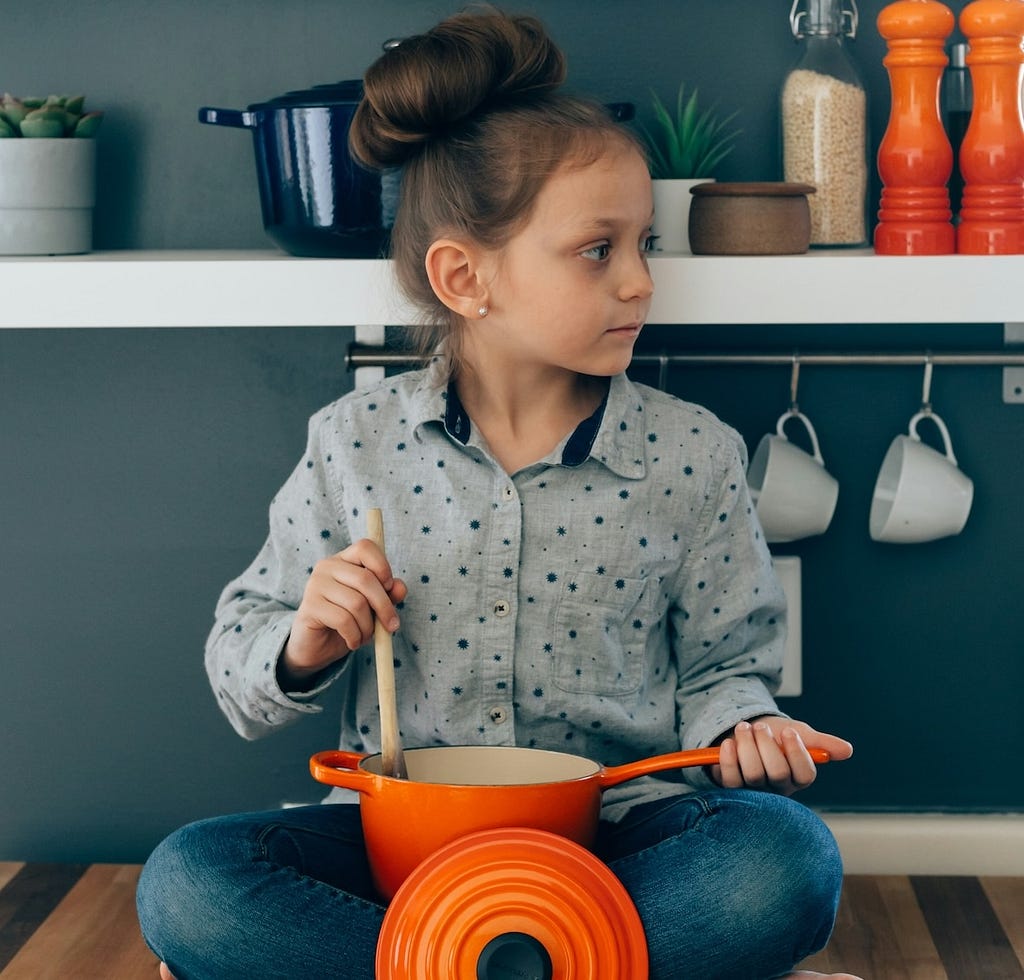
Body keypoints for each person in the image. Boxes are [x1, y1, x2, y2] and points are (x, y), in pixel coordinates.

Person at [137, 9, 861, 979]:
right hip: (399, 851)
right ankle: (550, 964)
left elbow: (723, 666)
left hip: (612, 841)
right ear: (465, 276)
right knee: (189, 882)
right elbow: (239, 666)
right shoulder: (353, 443)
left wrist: (744, 727)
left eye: (645, 242)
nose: (643, 281)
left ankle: (455, 964)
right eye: (598, 249)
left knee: (784, 862)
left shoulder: (694, 454)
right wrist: (306, 641)